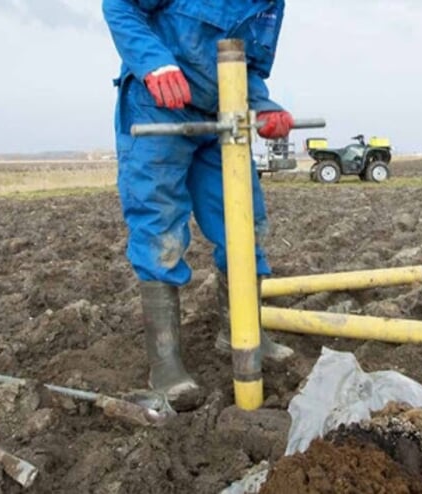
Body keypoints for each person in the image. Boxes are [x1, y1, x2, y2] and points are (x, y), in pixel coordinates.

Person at [102, 0, 295, 408]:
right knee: (161, 230)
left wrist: (262, 103)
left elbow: (252, 68)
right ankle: (165, 362)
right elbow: (119, 5)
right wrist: (153, 62)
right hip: (157, 110)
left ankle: (244, 331)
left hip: (224, 115)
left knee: (245, 221)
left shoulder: (271, 6)